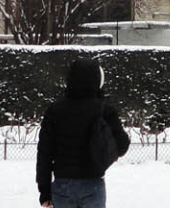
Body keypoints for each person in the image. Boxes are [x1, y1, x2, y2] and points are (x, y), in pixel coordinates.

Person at [35, 56, 130, 208]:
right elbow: (123, 144)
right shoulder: (104, 110)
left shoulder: (55, 110)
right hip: (93, 183)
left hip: (62, 185)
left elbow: (44, 153)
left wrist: (44, 191)